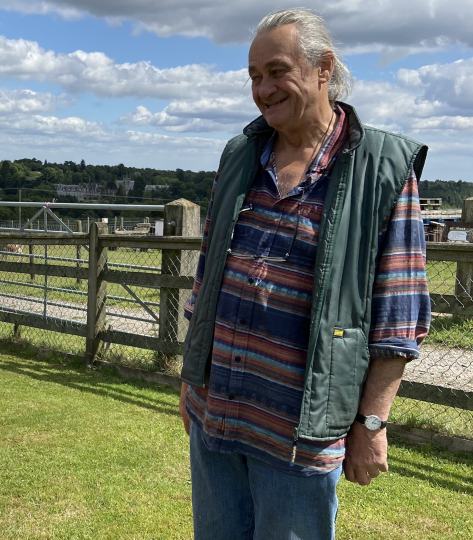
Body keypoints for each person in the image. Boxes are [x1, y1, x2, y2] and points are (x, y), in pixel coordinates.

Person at [179, 9, 430, 540]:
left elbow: (397, 315)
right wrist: (191, 380)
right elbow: (207, 274)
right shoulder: (241, 154)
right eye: (253, 76)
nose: (262, 89)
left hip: (298, 435)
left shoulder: (382, 167)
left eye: (276, 71)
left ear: (323, 69)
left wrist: (372, 424)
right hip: (216, 415)